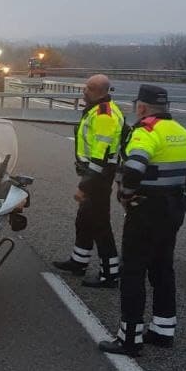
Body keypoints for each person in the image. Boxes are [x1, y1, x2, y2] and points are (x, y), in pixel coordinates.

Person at [99, 85, 186, 356]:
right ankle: (163, 330)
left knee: (133, 271)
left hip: (146, 210)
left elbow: (134, 167)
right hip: (172, 211)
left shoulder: (146, 131)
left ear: (142, 108)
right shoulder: (181, 132)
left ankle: (130, 339)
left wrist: (126, 195)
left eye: (138, 106)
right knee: (162, 268)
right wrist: (182, 197)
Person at [53, 75, 125, 288]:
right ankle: (79, 261)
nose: (85, 91)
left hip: (98, 176)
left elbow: (100, 157)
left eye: (90, 88)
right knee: (84, 220)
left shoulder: (104, 115)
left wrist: (85, 186)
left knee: (100, 225)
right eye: (85, 87)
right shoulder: (97, 109)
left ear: (102, 92)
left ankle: (110, 274)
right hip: (95, 173)